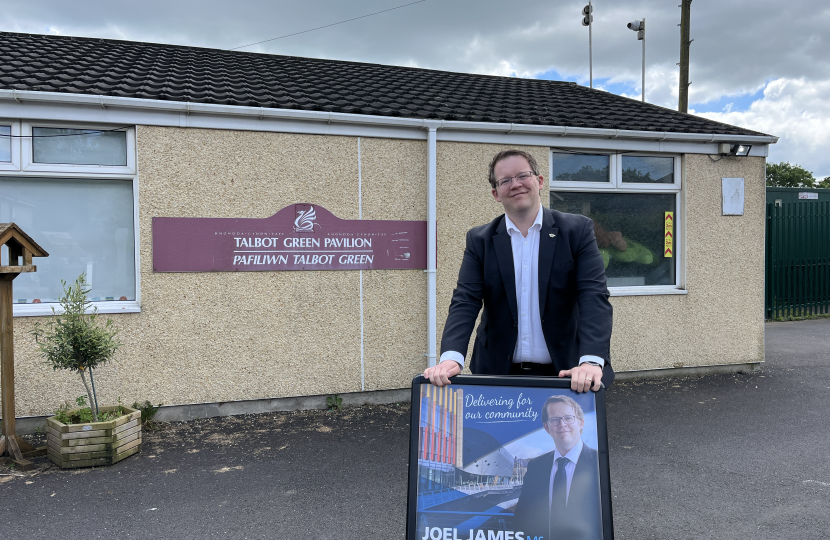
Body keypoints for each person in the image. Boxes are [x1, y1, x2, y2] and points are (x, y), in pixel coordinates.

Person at [424, 149, 613, 392]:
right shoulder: (480, 240)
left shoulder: (577, 231)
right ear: (496, 193)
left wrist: (590, 360)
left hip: (568, 374)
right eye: (505, 180)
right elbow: (466, 300)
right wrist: (451, 357)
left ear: (540, 181)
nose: (516, 185)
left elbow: (593, 296)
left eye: (523, 175)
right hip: (497, 375)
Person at [513, 396, 603, 540]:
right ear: (546, 427)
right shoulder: (536, 465)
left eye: (568, 418)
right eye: (554, 419)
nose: (562, 424)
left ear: (581, 423)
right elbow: (523, 515)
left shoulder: (598, 461)